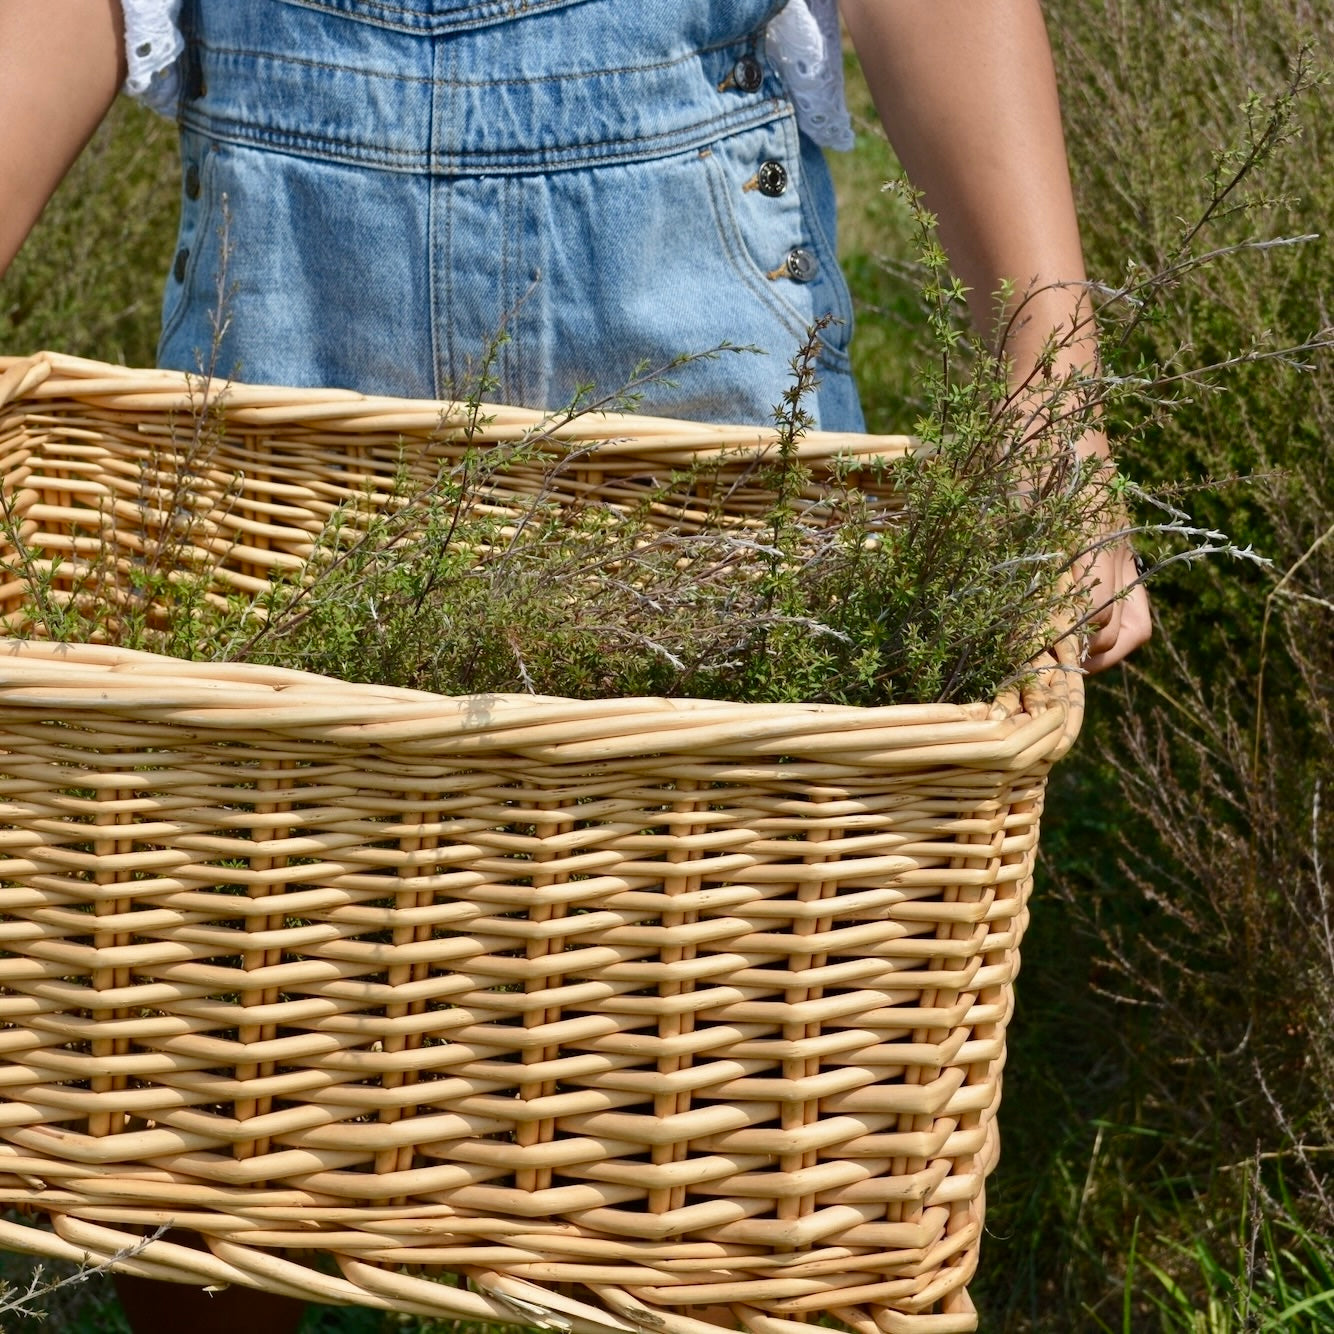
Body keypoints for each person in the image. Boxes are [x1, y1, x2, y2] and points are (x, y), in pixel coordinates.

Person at [0, 1, 1150, 1327]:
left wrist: (1048, 414)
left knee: (724, 1078)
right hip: (285, 350)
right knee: (210, 1032)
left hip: (685, 363)